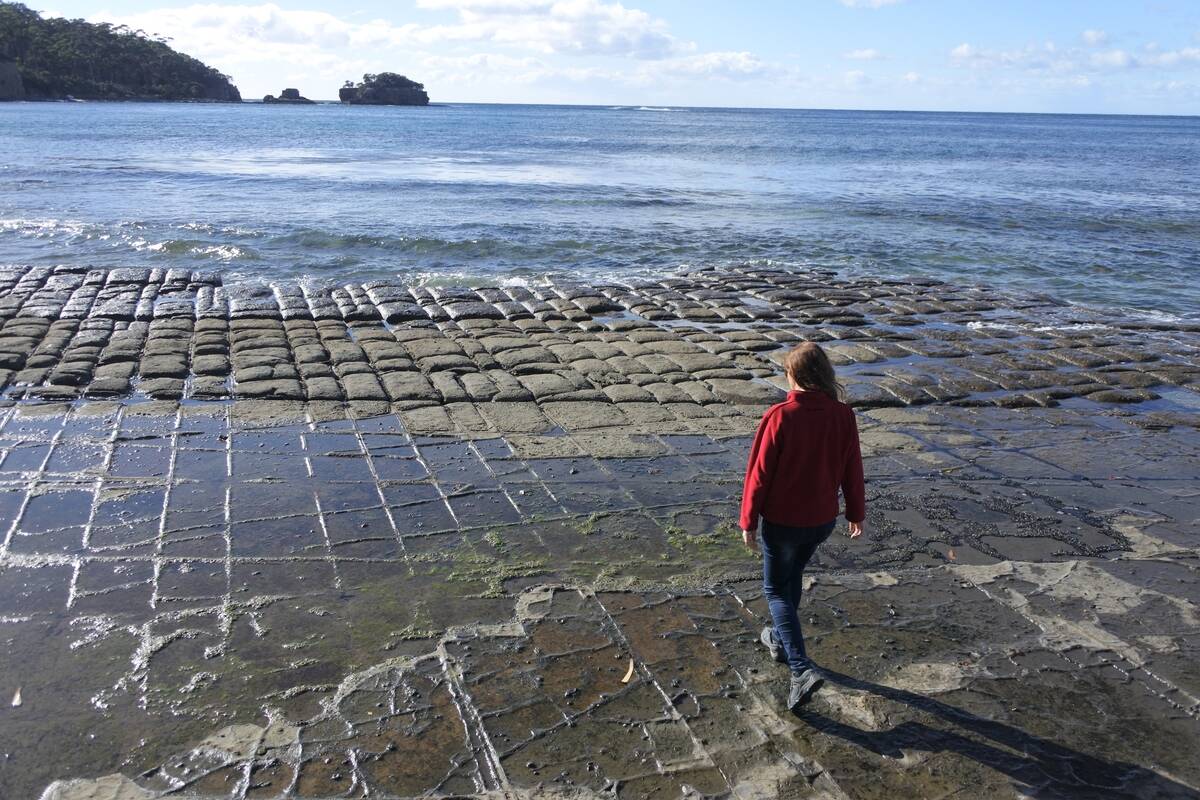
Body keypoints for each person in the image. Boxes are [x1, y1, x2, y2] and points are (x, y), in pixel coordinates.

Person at [739, 341, 865, 712]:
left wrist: (748, 520)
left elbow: (758, 475)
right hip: (822, 521)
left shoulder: (781, 415)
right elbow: (852, 469)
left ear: (793, 376)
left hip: (783, 522)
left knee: (776, 590)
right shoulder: (843, 415)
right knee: (791, 578)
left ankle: (800, 668)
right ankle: (778, 639)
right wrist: (856, 512)